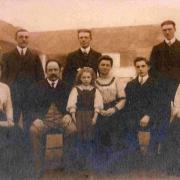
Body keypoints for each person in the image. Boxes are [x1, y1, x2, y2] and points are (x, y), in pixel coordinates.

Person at [29, 59, 77, 176]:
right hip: (44, 120)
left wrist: (69, 115)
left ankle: (67, 166)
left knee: (72, 130)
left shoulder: (67, 87)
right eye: (50, 70)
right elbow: (29, 106)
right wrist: (35, 118)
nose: (53, 72)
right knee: (33, 131)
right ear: (46, 72)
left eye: (55, 69)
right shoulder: (36, 87)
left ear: (60, 71)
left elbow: (73, 104)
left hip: (62, 119)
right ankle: (38, 168)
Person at [1, 29, 44, 126]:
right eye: (21, 37)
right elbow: (3, 77)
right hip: (13, 95)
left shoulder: (34, 56)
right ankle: (13, 141)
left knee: (29, 123)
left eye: (26, 37)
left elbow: (40, 77)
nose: (23, 39)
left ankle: (27, 141)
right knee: (12, 123)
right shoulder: (7, 56)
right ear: (15, 39)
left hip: (30, 95)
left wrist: (38, 93)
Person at [66, 67, 103, 170]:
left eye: (88, 77)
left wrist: (95, 117)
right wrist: (74, 117)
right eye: (83, 77)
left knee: (90, 138)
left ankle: (89, 162)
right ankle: (79, 162)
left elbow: (97, 105)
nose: (86, 79)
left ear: (92, 78)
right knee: (79, 138)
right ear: (80, 78)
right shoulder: (76, 89)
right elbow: (72, 104)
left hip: (90, 116)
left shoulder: (95, 90)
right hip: (79, 116)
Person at [124, 57, 161, 158]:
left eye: (143, 66)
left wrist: (148, 115)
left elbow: (158, 103)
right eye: (138, 67)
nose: (140, 69)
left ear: (148, 67)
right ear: (135, 68)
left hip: (151, 115)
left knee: (157, 127)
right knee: (127, 126)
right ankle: (135, 157)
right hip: (135, 116)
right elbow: (128, 104)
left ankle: (151, 158)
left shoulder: (156, 83)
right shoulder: (130, 84)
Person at [149, 20, 180, 124]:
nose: (167, 32)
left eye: (169, 29)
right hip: (162, 89)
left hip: (178, 88)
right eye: (164, 30)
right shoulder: (157, 49)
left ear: (175, 29)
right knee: (163, 118)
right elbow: (152, 70)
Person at [0, 61, 27, 179]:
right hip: (1, 123)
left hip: (3, 119)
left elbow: (9, 107)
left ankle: (16, 173)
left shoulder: (4, 87)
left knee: (18, 133)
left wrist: (10, 119)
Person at [95, 55, 126, 152]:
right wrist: (99, 110)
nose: (105, 67)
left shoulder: (116, 80)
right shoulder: (93, 81)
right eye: (102, 64)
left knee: (115, 139)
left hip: (114, 112)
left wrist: (114, 109)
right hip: (98, 112)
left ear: (110, 67)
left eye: (107, 65)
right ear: (98, 66)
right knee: (99, 139)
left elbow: (123, 99)